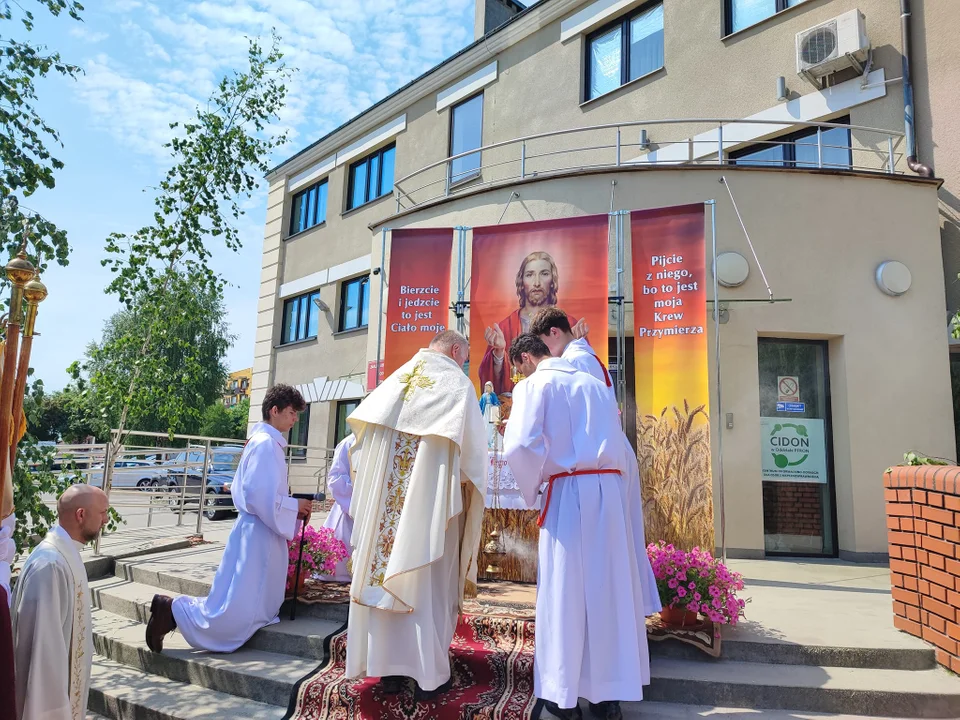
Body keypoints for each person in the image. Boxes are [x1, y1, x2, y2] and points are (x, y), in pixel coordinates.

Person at [503, 334, 656, 720]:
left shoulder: (535, 384)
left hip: (569, 491)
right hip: (607, 489)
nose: (519, 374)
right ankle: (608, 698)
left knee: (564, 591)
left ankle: (560, 698)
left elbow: (520, 445)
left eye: (518, 368)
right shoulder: (594, 383)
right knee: (607, 592)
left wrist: (532, 489)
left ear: (526, 359)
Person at [345, 330, 487, 698]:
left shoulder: (396, 381)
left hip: (383, 516)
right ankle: (427, 676)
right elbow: (473, 461)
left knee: (387, 581)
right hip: (429, 515)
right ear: (456, 350)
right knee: (426, 585)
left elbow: (359, 451)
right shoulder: (456, 385)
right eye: (466, 357)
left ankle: (386, 670)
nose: (465, 363)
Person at [145, 385, 313, 653]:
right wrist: (296, 506)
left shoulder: (258, 442)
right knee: (237, 614)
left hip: (252, 530)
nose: (295, 419)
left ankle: (173, 609)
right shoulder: (267, 445)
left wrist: (290, 507)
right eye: (292, 413)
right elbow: (259, 496)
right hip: (260, 534)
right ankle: (173, 612)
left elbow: (241, 488)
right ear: (274, 410)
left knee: (232, 599)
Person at [12, 484, 109, 720]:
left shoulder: (65, 554)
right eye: (103, 512)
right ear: (81, 515)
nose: (106, 520)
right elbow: (43, 654)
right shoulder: (50, 565)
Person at [479, 251, 585, 395]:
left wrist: (574, 344)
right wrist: (498, 353)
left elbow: (581, 375)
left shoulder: (569, 325)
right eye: (529, 275)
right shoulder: (505, 327)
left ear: (553, 280)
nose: (536, 283)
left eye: (544, 274)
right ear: (521, 282)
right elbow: (490, 381)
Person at [317, 433, 356, 582]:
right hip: (350, 508)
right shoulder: (349, 443)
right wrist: (361, 494)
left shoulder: (383, 440)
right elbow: (336, 479)